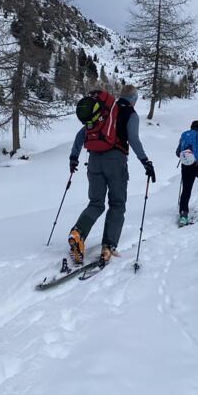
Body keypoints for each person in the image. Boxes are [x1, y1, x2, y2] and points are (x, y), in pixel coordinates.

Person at [67, 85, 156, 265]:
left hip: (93, 160)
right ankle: (108, 246)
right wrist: (145, 161)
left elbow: (81, 134)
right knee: (117, 203)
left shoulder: (104, 112)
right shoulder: (130, 114)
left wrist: (74, 158)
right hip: (115, 160)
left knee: (96, 203)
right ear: (133, 99)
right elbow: (133, 138)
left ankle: (78, 233)